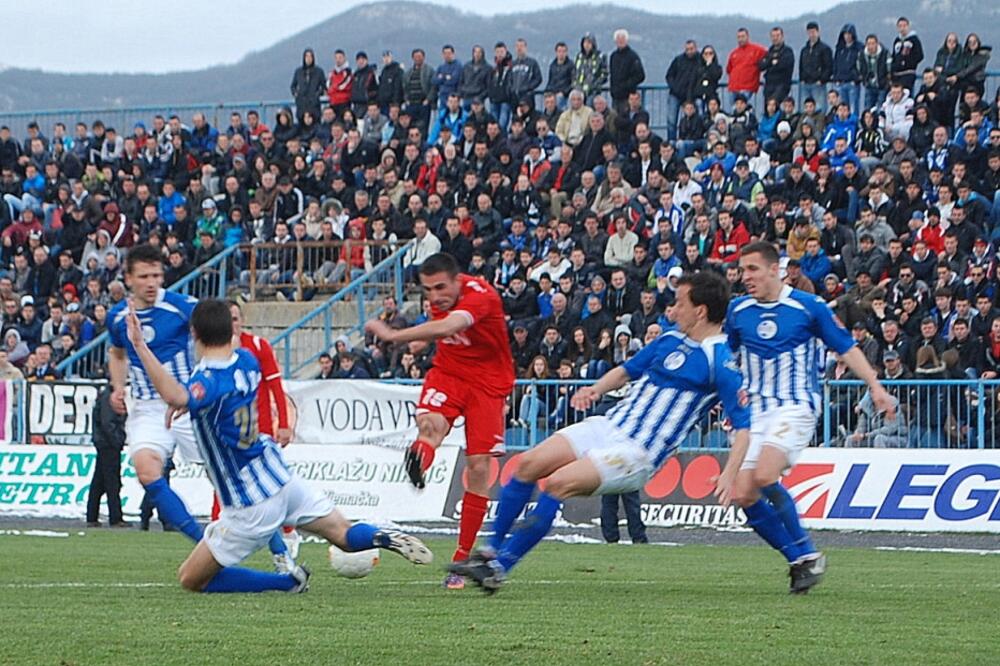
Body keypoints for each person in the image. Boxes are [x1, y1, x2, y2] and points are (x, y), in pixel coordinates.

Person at [449, 271, 750, 594]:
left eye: (679, 303)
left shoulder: (721, 361)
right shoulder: (668, 340)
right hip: (608, 425)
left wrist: (729, 473)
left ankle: (499, 567)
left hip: (638, 453)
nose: (672, 310)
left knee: (556, 484)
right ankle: (489, 552)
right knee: (527, 464)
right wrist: (594, 389)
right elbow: (625, 371)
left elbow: (744, 426)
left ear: (701, 310)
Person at [124, 297, 432, 593]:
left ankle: (287, 582)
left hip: (250, 500)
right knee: (343, 534)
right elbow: (201, 389)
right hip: (281, 477)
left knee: (191, 578)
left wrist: (140, 345)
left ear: (194, 334)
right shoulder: (246, 361)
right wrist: (189, 401)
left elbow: (179, 395)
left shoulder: (208, 380)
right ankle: (381, 534)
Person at [726, 242, 895, 593]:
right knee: (743, 493)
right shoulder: (738, 310)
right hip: (755, 411)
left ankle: (803, 553)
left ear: (775, 269)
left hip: (795, 404)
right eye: (743, 270)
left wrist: (876, 387)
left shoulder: (807, 306)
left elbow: (846, 347)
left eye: (753, 269)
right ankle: (801, 557)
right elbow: (726, 356)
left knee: (765, 474)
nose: (746, 277)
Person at [363, 253, 515, 590]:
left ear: (457, 280)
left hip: (488, 384)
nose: (434, 296)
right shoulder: (438, 299)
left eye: (440, 287)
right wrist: (421, 342)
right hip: (448, 372)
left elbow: (450, 326)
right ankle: (419, 459)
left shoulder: (481, 296)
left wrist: (393, 335)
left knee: (477, 467)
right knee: (429, 427)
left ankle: (461, 559)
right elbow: (443, 332)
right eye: (428, 289)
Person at [107, 244, 204, 544]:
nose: (152, 283)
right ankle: (204, 543)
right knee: (146, 472)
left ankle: (279, 548)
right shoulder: (117, 317)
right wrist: (118, 387)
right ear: (129, 278)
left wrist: (202, 386)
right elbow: (118, 354)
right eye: (144, 276)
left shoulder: (182, 306)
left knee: (228, 477)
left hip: (187, 405)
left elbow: (214, 340)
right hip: (148, 408)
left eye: (157, 275)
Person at [207, 301, 297, 569]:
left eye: (236, 318)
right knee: (222, 487)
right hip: (227, 432)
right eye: (228, 319)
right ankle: (217, 543)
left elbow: (275, 385)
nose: (232, 323)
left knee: (270, 491)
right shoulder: (214, 354)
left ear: (242, 320)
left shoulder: (257, 347)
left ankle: (287, 537)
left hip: (261, 432)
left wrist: (283, 423)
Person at [85, 382, 127, 528]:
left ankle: (92, 515)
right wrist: (118, 440)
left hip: (104, 443)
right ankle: (115, 517)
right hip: (109, 445)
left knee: (99, 482)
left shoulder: (105, 396)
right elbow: (108, 423)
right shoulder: (109, 399)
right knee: (112, 482)